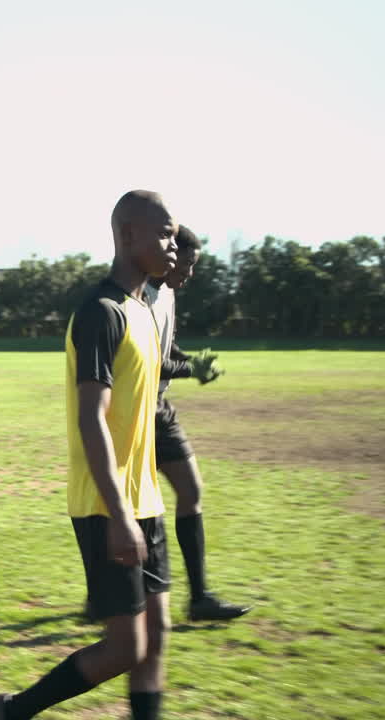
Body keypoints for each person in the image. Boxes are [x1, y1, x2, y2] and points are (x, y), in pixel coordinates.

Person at [0, 190, 177, 720]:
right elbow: (90, 417)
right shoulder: (101, 312)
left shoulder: (143, 311)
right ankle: (15, 711)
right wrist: (119, 516)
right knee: (124, 648)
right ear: (128, 234)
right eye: (164, 233)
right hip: (106, 505)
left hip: (146, 502)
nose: (173, 244)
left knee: (155, 639)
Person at [145, 227, 250, 622]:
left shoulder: (167, 296)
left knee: (191, 490)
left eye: (192, 266)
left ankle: (200, 597)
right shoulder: (139, 297)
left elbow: (168, 350)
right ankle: (103, 595)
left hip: (160, 408)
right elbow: (149, 361)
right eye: (185, 264)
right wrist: (193, 369)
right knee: (126, 511)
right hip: (133, 413)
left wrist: (193, 360)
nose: (188, 273)